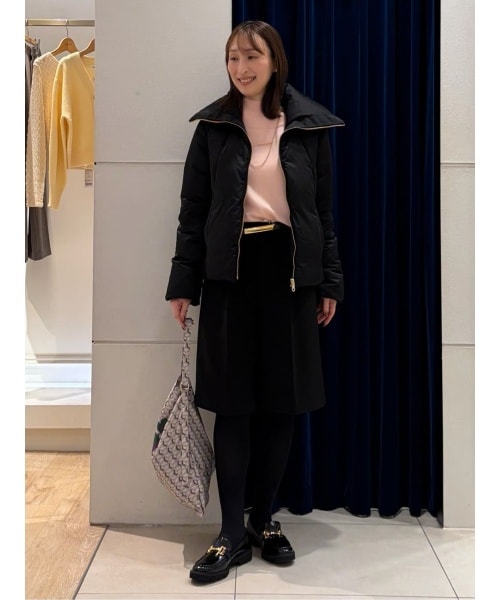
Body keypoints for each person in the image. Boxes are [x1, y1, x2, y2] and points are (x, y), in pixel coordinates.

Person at [165, 20, 344, 584]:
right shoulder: (214, 127)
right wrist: (182, 281)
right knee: (234, 405)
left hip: (290, 276)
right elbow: (194, 210)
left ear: (275, 61)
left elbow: (322, 215)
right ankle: (229, 533)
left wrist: (329, 282)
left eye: (252, 57)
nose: (241, 68)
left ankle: (264, 520)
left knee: (281, 405)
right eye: (233, 58)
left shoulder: (309, 126)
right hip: (229, 276)